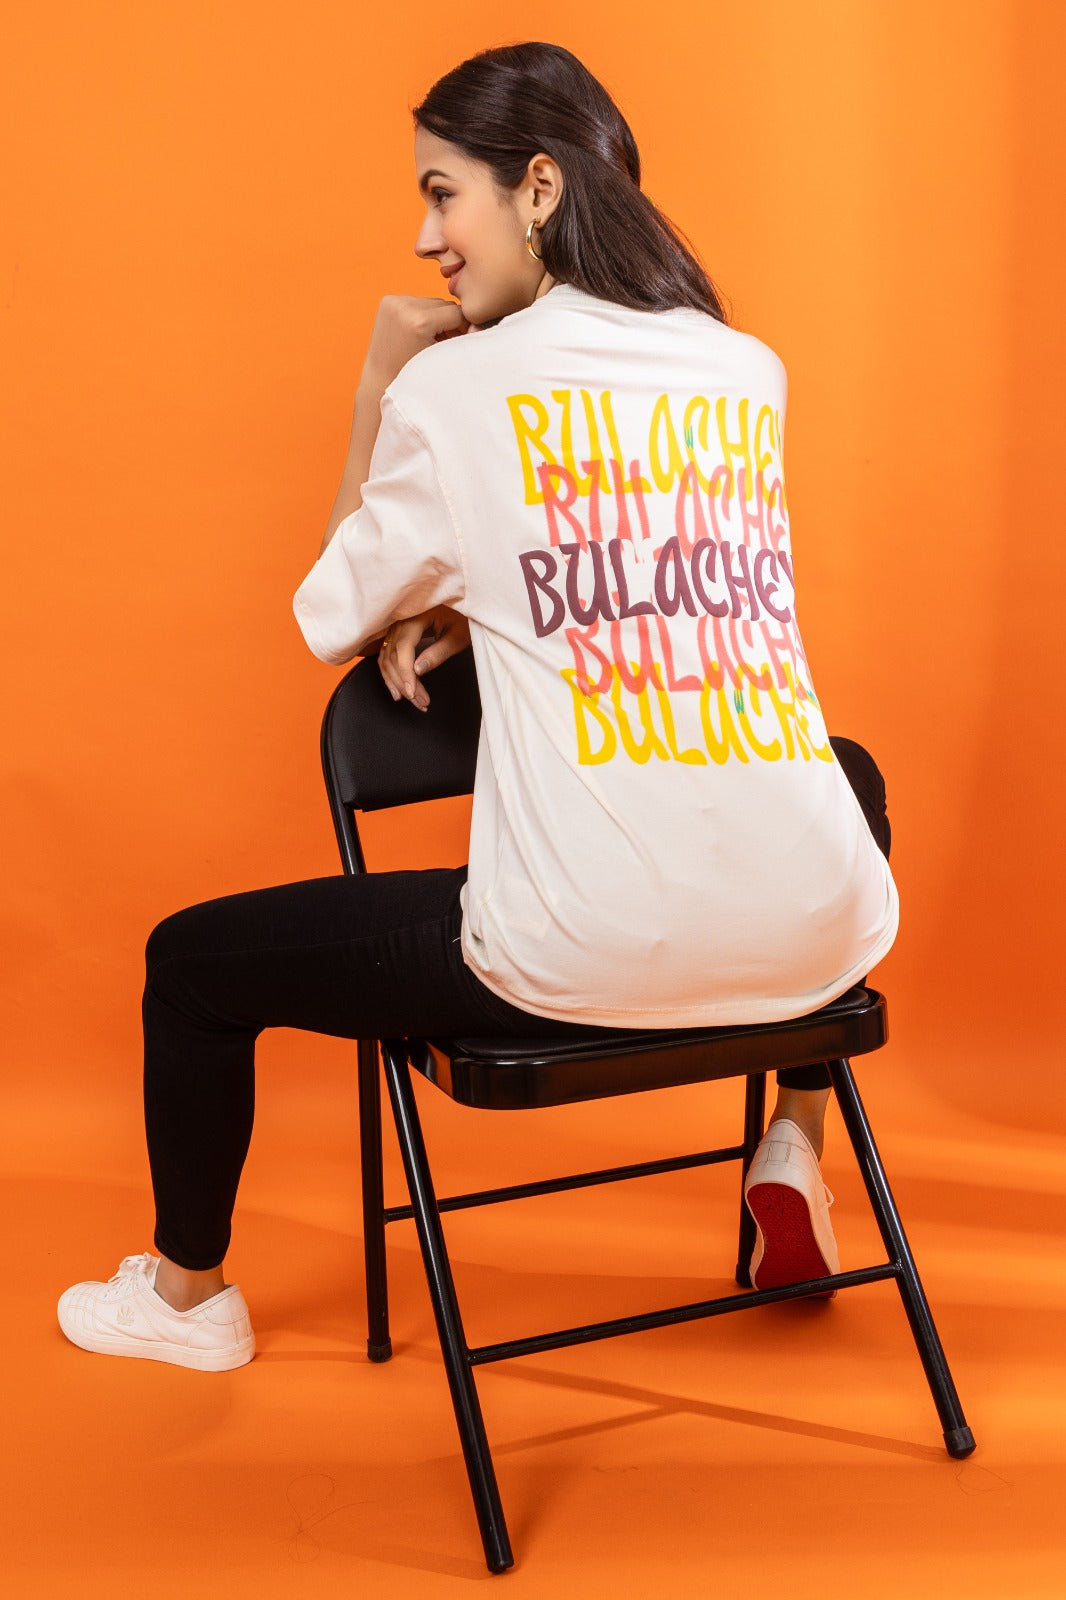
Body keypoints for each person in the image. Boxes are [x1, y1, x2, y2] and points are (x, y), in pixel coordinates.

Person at [58, 41, 897, 1371]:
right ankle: (793, 1138)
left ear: (539, 189)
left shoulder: (454, 387)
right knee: (841, 772)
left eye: (443, 193)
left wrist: (379, 381)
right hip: (814, 941)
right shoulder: (747, 370)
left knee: (190, 964)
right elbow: (638, 566)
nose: (425, 236)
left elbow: (330, 615)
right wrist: (479, 595)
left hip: (580, 955)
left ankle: (183, 1299)